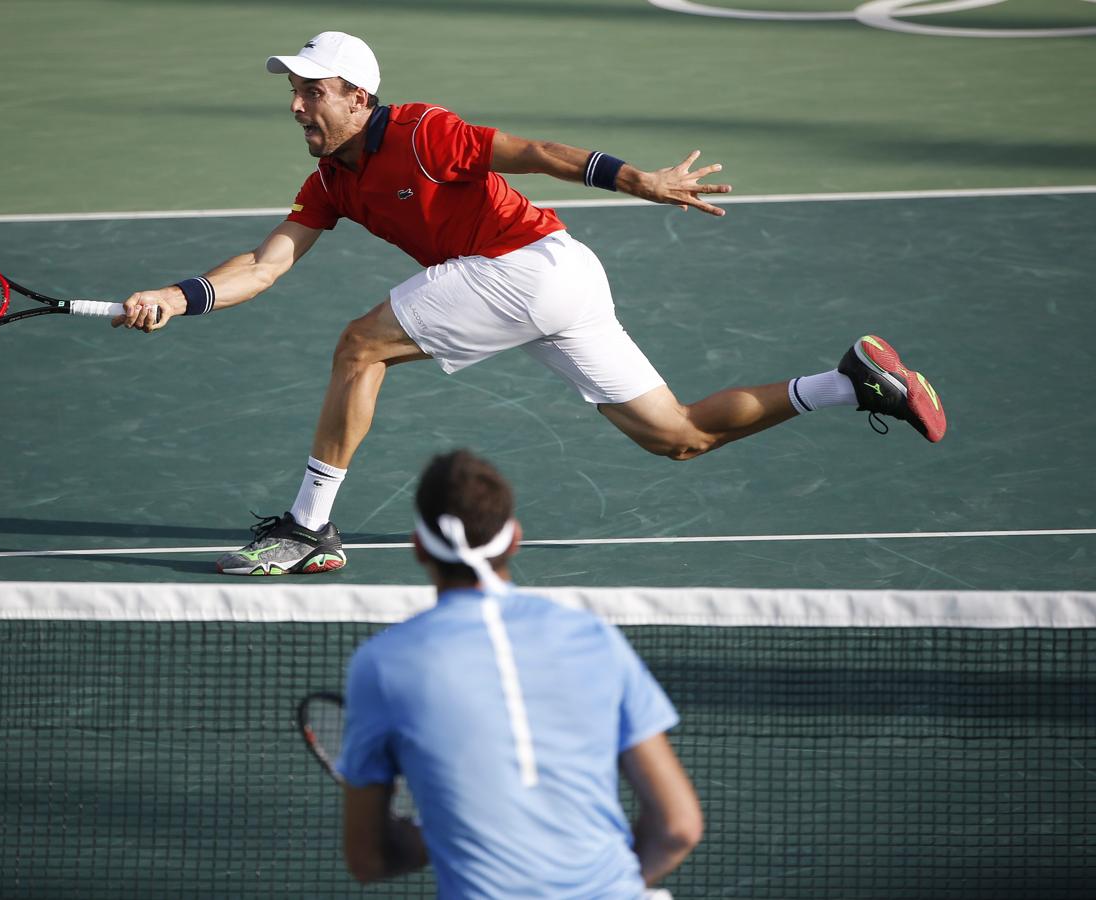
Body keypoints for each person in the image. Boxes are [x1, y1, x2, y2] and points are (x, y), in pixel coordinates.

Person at [114, 32, 947, 577]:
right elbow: (264, 266)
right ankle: (851, 383)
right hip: (555, 279)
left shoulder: (423, 131)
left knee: (360, 347)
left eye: (313, 90)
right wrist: (176, 297)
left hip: (529, 269)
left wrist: (640, 180)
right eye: (293, 91)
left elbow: (538, 152)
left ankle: (307, 528)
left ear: (358, 97)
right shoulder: (328, 182)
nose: (297, 104)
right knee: (678, 437)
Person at [335, 448, 702, 897]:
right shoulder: (594, 639)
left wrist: (459, 830)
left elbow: (369, 859)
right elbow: (678, 828)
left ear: (417, 547)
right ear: (514, 539)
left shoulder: (382, 665)